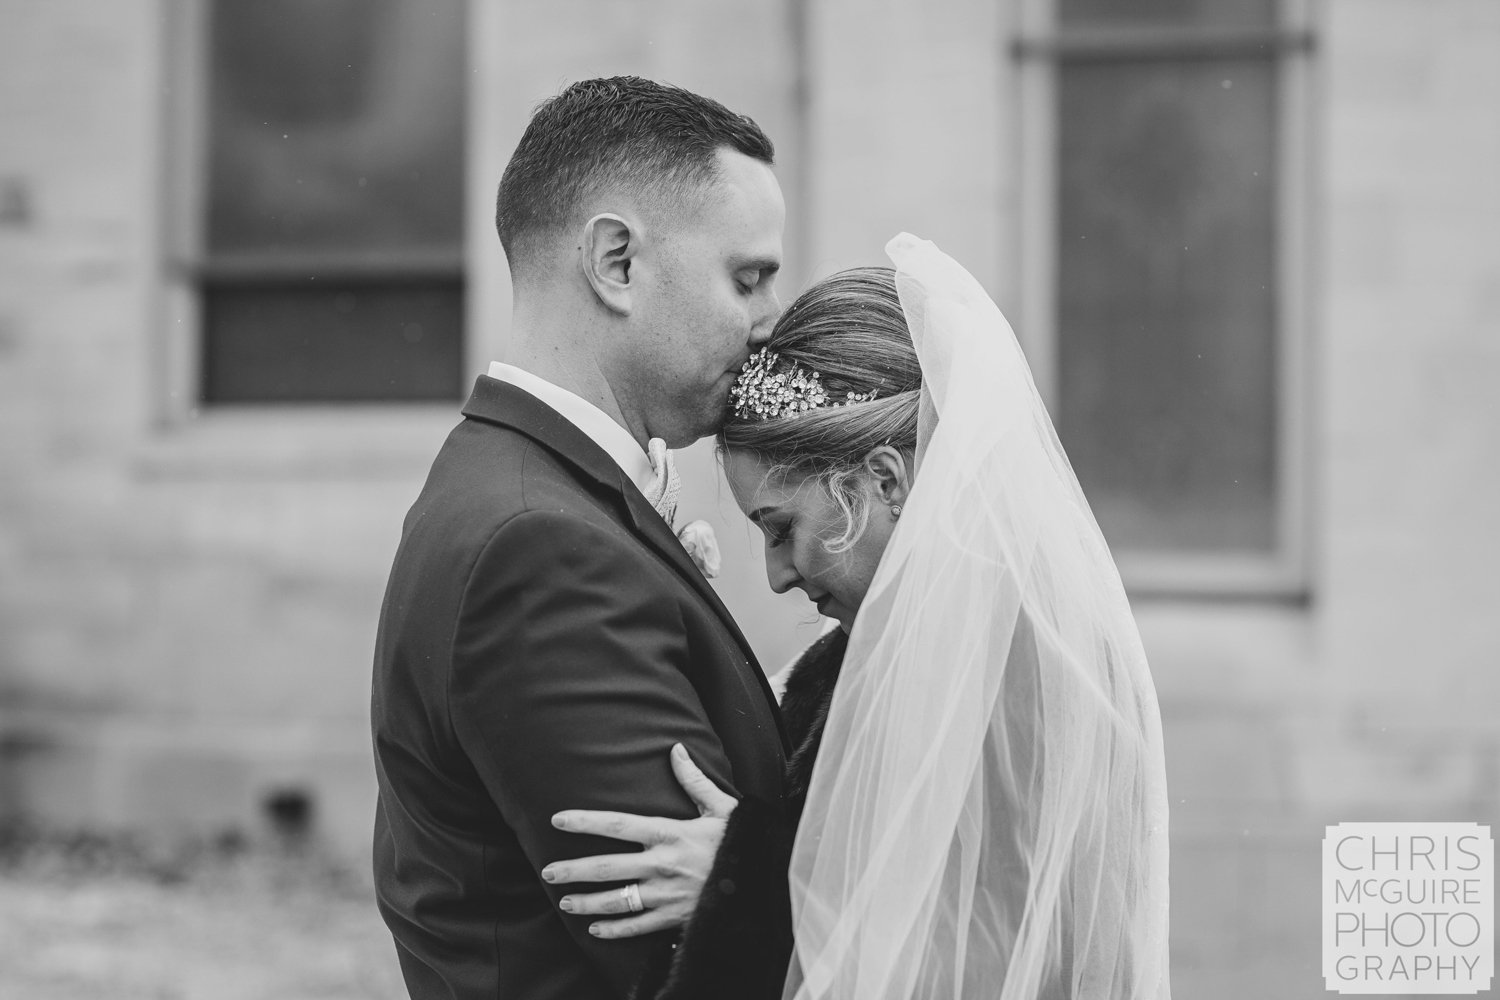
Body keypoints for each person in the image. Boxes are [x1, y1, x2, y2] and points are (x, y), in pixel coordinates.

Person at [545, 235, 1173, 999]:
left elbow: (977, 957)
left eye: (782, 529)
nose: (776, 575)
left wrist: (737, 883)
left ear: (883, 480)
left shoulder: (1015, 672)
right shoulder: (904, 645)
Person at [370, 76, 792, 1000]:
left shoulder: (526, 492)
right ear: (616, 262)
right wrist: (776, 874)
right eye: (748, 278)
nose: (769, 323)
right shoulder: (541, 551)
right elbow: (692, 966)